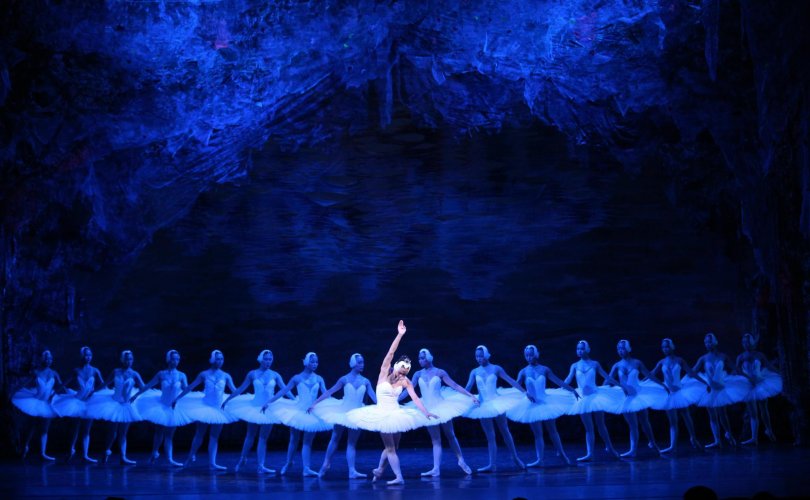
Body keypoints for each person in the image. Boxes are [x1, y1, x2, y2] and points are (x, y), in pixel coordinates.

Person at [343, 320, 438, 485]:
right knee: (390, 448)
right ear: (395, 367)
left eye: (405, 372)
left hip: (396, 414)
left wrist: (426, 412)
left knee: (393, 447)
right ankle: (399, 477)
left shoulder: (405, 381)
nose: (402, 374)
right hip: (382, 414)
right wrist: (400, 335)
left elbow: (415, 397)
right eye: (401, 370)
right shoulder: (383, 374)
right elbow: (391, 352)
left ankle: (380, 470)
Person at [404, 347, 478, 476]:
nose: (420, 360)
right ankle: (436, 468)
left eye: (422, 358)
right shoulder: (417, 374)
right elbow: (408, 390)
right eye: (419, 358)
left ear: (429, 358)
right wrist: (394, 399)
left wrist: (470, 395)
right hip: (427, 409)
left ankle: (461, 460)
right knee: (435, 440)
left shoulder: (439, 372)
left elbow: (454, 385)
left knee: (450, 435)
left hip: (442, 406)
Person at [260, 352, 332, 477]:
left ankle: (306, 468)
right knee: (294, 439)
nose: (315, 364)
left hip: (312, 412)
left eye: (316, 362)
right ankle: (288, 463)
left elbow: (325, 394)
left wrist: (334, 405)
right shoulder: (297, 378)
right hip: (298, 411)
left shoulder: (319, 378)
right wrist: (269, 402)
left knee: (307, 442)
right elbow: (283, 391)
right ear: (306, 362)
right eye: (312, 362)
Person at [506, 344, 579, 466]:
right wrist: (505, 398)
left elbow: (558, 381)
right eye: (527, 355)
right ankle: (540, 459)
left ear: (536, 354)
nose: (529, 357)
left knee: (553, 430)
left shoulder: (545, 369)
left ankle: (562, 454)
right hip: (532, 405)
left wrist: (572, 390)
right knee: (538, 434)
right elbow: (516, 386)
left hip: (546, 403)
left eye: (531, 355)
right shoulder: (523, 371)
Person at [307, 353, 377, 478]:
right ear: (353, 363)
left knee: (352, 443)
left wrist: (387, 406)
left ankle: (352, 471)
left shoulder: (365, 381)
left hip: (357, 414)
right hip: (343, 412)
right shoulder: (344, 379)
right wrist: (314, 403)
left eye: (363, 362)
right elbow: (329, 392)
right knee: (335, 438)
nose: (362, 365)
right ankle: (325, 464)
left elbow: (374, 397)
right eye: (359, 362)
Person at [463, 344, 527, 472]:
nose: (479, 359)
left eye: (481, 356)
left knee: (504, 430)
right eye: (477, 356)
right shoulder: (475, 371)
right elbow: (468, 388)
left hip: (497, 402)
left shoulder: (496, 368)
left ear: (486, 355)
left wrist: (525, 392)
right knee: (490, 436)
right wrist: (463, 398)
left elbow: (510, 380)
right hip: (483, 405)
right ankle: (492, 464)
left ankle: (515, 457)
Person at [221, 349, 286, 473]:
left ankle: (261, 466)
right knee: (250, 435)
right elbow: (240, 389)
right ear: (261, 359)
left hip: (268, 409)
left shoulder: (275, 375)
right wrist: (228, 399)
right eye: (266, 359)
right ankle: (242, 459)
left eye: (270, 359)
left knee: (263, 438)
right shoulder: (252, 374)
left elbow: (285, 389)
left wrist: (295, 401)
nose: (268, 361)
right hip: (254, 408)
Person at [173, 349, 238, 470]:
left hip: (219, 409)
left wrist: (244, 399)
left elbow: (235, 391)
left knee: (214, 436)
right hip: (205, 407)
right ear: (212, 360)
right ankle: (189, 458)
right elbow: (190, 387)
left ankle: (212, 463)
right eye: (217, 359)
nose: (220, 361)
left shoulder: (226, 375)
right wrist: (177, 398)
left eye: (222, 359)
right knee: (199, 434)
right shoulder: (204, 374)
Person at [130, 349, 193, 466]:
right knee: (159, 432)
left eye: (178, 359)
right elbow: (148, 385)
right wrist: (136, 395)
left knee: (169, 435)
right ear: (168, 359)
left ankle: (169, 459)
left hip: (173, 407)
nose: (176, 361)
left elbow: (186, 389)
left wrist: (179, 398)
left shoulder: (181, 375)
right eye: (174, 359)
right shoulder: (161, 374)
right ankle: (154, 452)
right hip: (161, 406)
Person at [564, 340, 623, 461]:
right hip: (582, 398)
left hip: (596, 396)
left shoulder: (595, 364)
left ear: (587, 349)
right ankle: (590, 453)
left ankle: (610, 448)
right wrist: (560, 388)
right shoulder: (574, 365)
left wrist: (621, 386)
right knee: (589, 428)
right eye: (578, 349)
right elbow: (568, 379)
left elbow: (607, 377)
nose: (580, 351)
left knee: (601, 424)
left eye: (582, 349)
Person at [608, 339, 668, 457]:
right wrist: (600, 390)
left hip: (638, 395)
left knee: (645, 422)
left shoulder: (637, 363)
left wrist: (662, 385)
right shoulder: (617, 365)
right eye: (619, 349)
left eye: (623, 348)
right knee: (632, 424)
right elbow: (608, 379)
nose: (620, 351)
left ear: (628, 348)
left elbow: (649, 375)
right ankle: (633, 450)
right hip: (626, 397)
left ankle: (653, 443)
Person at [649, 338, 709, 453]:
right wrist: (640, 383)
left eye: (667, 346)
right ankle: (673, 446)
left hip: (680, 392)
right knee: (673, 420)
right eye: (663, 347)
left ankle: (693, 438)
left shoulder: (679, 360)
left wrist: (704, 382)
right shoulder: (661, 362)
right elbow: (651, 374)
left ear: (672, 347)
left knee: (686, 415)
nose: (665, 349)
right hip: (668, 394)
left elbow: (691, 373)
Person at [86, 350, 144, 464]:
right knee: (112, 432)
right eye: (126, 359)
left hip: (127, 405)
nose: (128, 361)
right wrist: (93, 391)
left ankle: (123, 457)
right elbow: (105, 383)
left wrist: (136, 396)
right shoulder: (116, 371)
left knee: (123, 432)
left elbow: (143, 387)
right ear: (122, 360)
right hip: (114, 404)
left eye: (130, 359)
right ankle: (106, 451)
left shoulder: (134, 374)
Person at [694, 333, 748, 448]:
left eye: (710, 342)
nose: (708, 344)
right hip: (709, 389)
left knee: (722, 414)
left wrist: (745, 378)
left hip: (720, 387)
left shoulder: (723, 356)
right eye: (706, 342)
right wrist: (703, 382)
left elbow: (735, 369)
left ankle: (729, 434)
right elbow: (692, 372)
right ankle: (717, 440)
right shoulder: (703, 358)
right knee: (712, 415)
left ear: (715, 342)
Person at [52, 346, 104, 463]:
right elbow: (65, 383)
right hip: (77, 401)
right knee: (75, 427)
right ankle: (71, 449)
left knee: (87, 429)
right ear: (82, 356)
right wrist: (54, 393)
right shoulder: (76, 371)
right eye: (86, 355)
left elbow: (103, 384)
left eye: (90, 355)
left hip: (89, 402)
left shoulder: (95, 370)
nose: (88, 357)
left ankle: (85, 454)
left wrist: (95, 391)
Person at [12, 349, 63, 461]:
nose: (48, 360)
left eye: (50, 359)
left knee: (45, 428)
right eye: (46, 358)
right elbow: (26, 383)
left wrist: (54, 394)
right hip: (36, 402)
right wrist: (17, 389)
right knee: (32, 426)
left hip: (47, 403)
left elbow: (61, 385)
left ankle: (42, 453)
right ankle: (25, 447)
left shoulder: (54, 373)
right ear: (42, 359)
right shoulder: (36, 372)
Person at [736, 333, 782, 445]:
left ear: (752, 343)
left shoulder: (759, 355)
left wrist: (780, 372)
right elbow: (738, 370)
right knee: (753, 411)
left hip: (760, 382)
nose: (746, 344)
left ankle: (769, 430)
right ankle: (754, 437)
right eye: (744, 342)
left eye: (748, 342)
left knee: (764, 408)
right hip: (748, 384)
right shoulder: (741, 357)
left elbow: (768, 366)